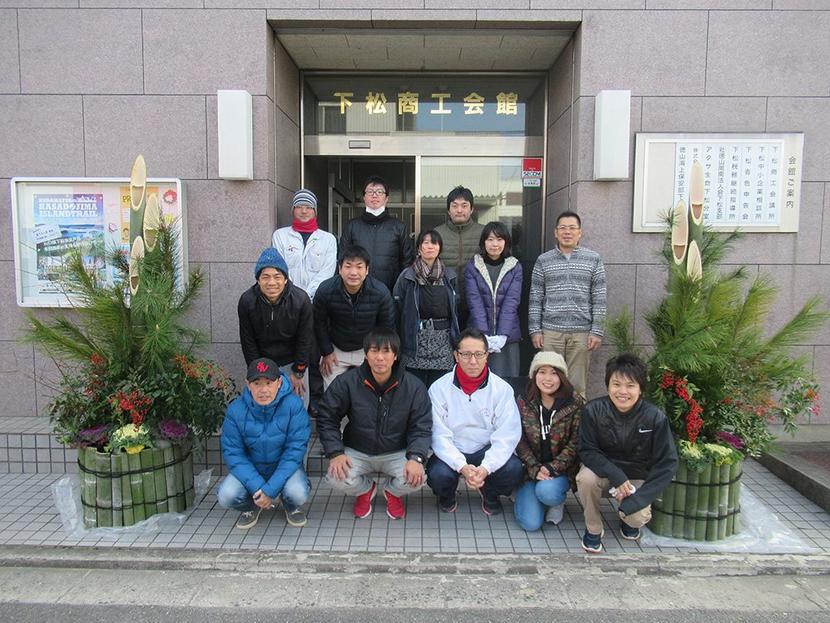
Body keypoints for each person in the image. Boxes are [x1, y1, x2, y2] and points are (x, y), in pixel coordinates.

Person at [317, 328, 432, 520]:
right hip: (358, 449)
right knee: (335, 476)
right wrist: (336, 452)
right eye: (374, 350)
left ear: (395, 355)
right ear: (365, 354)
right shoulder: (347, 382)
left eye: (386, 351)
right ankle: (365, 489)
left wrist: (416, 457)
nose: (380, 357)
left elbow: (422, 426)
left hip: (397, 451)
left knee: (418, 478)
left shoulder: (413, 386)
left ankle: (392, 492)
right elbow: (327, 417)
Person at [576, 353, 678, 554]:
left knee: (636, 517)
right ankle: (593, 528)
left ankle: (628, 520)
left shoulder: (654, 417)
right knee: (585, 478)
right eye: (616, 384)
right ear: (608, 385)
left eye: (630, 385)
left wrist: (637, 500)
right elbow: (587, 450)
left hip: (636, 478)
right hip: (604, 473)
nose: (622, 391)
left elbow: (668, 463)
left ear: (640, 389)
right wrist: (616, 475)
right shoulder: (592, 410)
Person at [426, 328, 523, 516]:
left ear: (487, 356)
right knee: (438, 475)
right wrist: (461, 466)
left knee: (514, 469)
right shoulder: (439, 388)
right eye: (466, 354)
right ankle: (447, 495)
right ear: (456, 355)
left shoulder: (502, 389)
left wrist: (486, 468)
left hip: (485, 448)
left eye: (479, 354)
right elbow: (438, 434)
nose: (472, 361)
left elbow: (507, 435)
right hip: (453, 448)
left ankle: (489, 492)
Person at [217, 357, 311, 530]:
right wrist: (259, 488)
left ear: (279, 383)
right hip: (253, 469)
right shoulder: (235, 410)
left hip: (284, 468)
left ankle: (290, 505)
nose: (263, 390)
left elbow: (294, 451)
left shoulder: (294, 406)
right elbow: (234, 454)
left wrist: (270, 489)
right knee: (226, 495)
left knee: (298, 493)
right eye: (257, 383)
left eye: (269, 383)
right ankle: (254, 505)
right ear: (248, 384)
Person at [528, 211, 606, 398]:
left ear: (580, 232)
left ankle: (577, 417)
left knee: (577, 385)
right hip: (551, 332)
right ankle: (551, 416)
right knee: (548, 382)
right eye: (563, 228)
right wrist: (535, 330)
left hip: (582, 333)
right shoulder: (544, 260)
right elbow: (535, 297)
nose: (567, 232)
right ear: (556, 232)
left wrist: (597, 330)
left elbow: (599, 297)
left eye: (572, 228)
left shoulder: (593, 259)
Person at [513, 352, 584, 532]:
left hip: (560, 472)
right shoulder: (524, 401)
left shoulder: (574, 403)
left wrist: (552, 468)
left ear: (562, 377)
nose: (548, 378)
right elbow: (518, 439)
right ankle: (529, 495)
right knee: (530, 524)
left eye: (554, 373)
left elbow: (576, 443)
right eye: (542, 372)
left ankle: (555, 501)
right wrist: (535, 468)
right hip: (531, 470)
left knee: (547, 492)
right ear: (534, 374)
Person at [238, 248, 313, 408]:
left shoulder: (301, 300)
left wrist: (299, 371)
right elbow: (247, 340)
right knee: (263, 408)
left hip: (293, 361)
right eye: (265, 277)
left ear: (285, 279)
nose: (271, 282)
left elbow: (305, 339)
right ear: (258, 280)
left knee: (296, 407)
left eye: (277, 277)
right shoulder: (247, 301)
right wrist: (258, 372)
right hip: (262, 361)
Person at [313, 245, 395, 390]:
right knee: (332, 392)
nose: (353, 272)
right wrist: (326, 351)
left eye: (359, 267)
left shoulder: (380, 292)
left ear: (367, 270)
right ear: (340, 268)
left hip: (366, 347)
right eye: (348, 266)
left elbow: (386, 328)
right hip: (336, 348)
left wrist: (375, 353)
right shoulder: (325, 290)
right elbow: (319, 323)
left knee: (370, 391)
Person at [392, 230, 460, 388]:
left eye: (434, 243)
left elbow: (456, 309)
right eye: (426, 242)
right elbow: (396, 308)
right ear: (419, 248)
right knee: (415, 390)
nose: (430, 246)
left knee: (441, 390)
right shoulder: (407, 276)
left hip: (443, 343)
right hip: (415, 342)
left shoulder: (449, 276)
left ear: (439, 248)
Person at [464, 221, 523, 379]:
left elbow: (511, 302)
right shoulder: (473, 266)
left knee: (508, 379)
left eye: (499, 239)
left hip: (508, 336)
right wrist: (483, 335)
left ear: (506, 242)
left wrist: (503, 335)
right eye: (490, 239)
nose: (494, 244)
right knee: (479, 378)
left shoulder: (515, 267)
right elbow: (474, 302)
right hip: (479, 335)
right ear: (483, 242)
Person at [340, 175, 413, 293]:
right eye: (370, 192)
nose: (374, 195)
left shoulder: (399, 227)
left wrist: (401, 290)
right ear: (364, 197)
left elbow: (407, 261)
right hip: (356, 290)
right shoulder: (352, 226)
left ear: (386, 198)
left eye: (379, 192)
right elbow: (342, 257)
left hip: (390, 291)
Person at [272, 188, 337, 302]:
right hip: (288, 299)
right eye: (299, 206)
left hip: (318, 299)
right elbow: (280, 268)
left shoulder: (328, 239)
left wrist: (307, 295)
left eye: (309, 207)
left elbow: (327, 272)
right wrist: (295, 294)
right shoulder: (280, 236)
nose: (304, 211)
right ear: (293, 210)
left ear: (315, 211)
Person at [434, 186, 485, 324]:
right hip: (445, 301)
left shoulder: (484, 233)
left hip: (477, 302)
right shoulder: (437, 234)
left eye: (464, 205)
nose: (459, 210)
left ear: (472, 209)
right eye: (455, 206)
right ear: (448, 210)